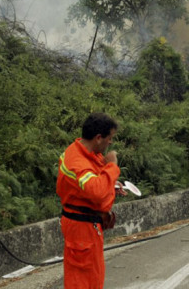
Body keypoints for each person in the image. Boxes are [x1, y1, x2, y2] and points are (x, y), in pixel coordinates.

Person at [56, 112, 127, 289]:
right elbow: (96, 192)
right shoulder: (77, 161)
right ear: (98, 138)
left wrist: (111, 184)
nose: (110, 142)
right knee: (82, 281)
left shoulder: (88, 153)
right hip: (81, 229)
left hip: (88, 227)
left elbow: (96, 183)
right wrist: (112, 166)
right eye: (109, 138)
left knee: (92, 278)